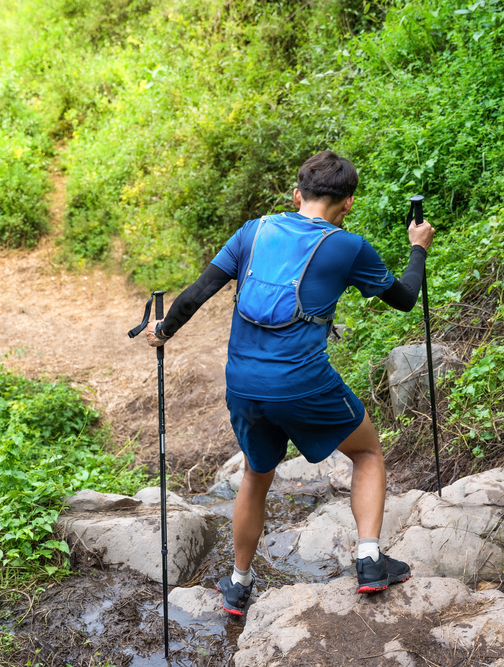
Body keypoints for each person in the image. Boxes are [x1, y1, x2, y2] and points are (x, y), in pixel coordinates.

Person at [144, 150, 434, 616]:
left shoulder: (252, 232)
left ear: (297, 195)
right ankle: (369, 562)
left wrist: (162, 331)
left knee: (257, 476)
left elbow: (198, 293)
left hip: (242, 383)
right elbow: (403, 299)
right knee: (366, 452)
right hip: (302, 382)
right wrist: (418, 246)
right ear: (348, 204)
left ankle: (238, 585)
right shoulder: (347, 246)